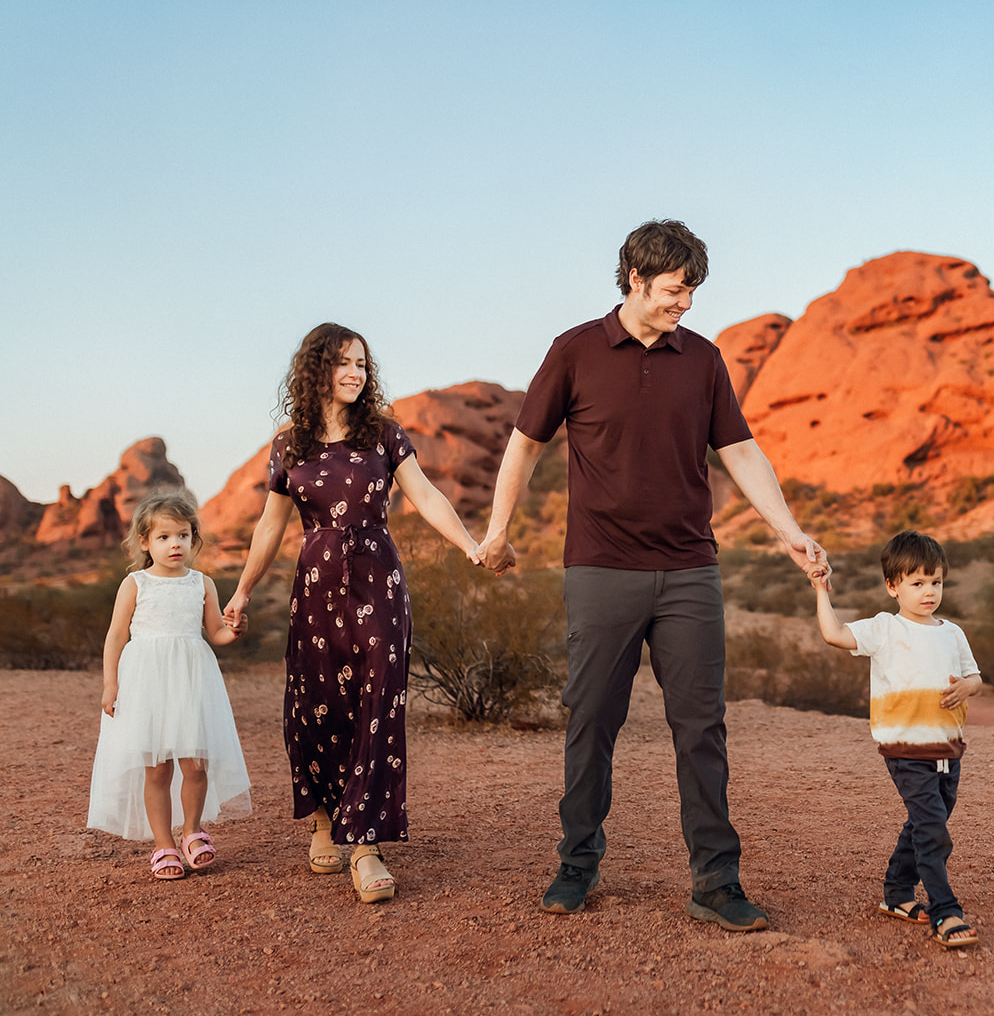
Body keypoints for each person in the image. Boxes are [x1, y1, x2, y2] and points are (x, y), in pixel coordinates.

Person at [478, 219, 826, 931]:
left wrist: (788, 531)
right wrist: (499, 528)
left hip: (690, 568)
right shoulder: (575, 350)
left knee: (701, 727)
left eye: (692, 291)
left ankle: (716, 882)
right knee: (591, 724)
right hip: (601, 567)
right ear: (635, 279)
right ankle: (577, 865)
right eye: (675, 290)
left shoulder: (702, 360)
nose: (686, 305)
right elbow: (524, 447)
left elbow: (742, 452)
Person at [223, 323, 481, 904]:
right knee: (316, 703)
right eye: (343, 362)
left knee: (379, 701)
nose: (355, 374)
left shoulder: (384, 435)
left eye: (362, 364)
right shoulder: (290, 444)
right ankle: (322, 818)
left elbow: (427, 495)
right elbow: (270, 526)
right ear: (316, 369)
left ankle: (364, 843)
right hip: (315, 584)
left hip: (378, 580)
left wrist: (470, 545)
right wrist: (240, 592)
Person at [811, 529, 983, 948]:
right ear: (893, 586)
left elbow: (975, 678)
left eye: (936, 582)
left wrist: (967, 687)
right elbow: (834, 635)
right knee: (933, 831)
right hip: (906, 750)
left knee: (928, 821)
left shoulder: (952, 632)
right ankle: (945, 911)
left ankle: (897, 894)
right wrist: (820, 589)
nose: (929, 592)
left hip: (948, 748)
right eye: (917, 583)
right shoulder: (884, 629)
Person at [88, 491, 253, 880]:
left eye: (182, 535)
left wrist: (234, 631)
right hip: (146, 682)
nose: (174, 544)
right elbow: (115, 636)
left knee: (196, 765)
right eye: (163, 537)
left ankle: (192, 832)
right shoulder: (135, 584)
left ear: (193, 538)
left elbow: (214, 631)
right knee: (157, 770)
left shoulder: (202, 583)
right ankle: (164, 844)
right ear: (144, 542)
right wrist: (110, 684)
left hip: (190, 679)